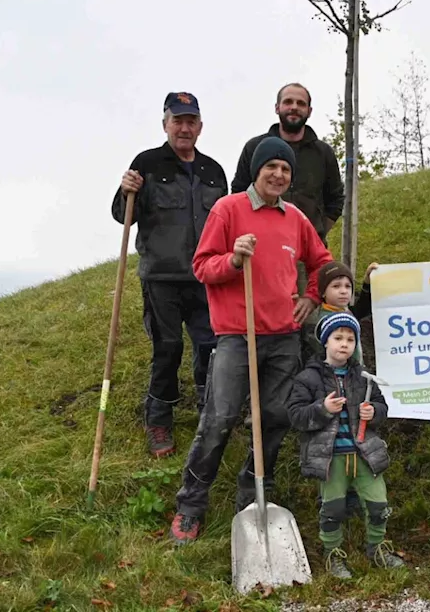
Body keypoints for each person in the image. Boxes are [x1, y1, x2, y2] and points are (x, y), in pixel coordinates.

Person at [170, 137, 333, 543]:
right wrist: (234, 260)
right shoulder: (228, 209)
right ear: (257, 171)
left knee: (276, 417)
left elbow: (322, 263)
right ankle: (191, 505)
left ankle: (253, 490)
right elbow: (202, 267)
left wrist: (312, 296)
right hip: (236, 337)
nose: (278, 175)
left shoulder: (294, 217)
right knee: (219, 418)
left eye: (285, 169)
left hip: (283, 338)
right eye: (271, 167)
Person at [112, 91, 228, 458]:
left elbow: (224, 221)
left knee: (209, 346)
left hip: (205, 275)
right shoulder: (146, 163)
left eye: (190, 121)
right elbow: (123, 215)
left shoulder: (214, 170)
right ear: (165, 125)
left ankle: (207, 409)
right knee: (168, 347)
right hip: (161, 277)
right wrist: (124, 190)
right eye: (177, 120)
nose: (184, 127)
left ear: (200, 127)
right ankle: (158, 417)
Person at [287, 311, 406, 578]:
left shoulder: (363, 376)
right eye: (338, 337)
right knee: (333, 508)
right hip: (331, 458)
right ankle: (333, 553)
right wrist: (323, 408)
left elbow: (382, 406)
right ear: (325, 342)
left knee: (378, 504)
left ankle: (377, 547)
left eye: (350, 339)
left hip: (365, 454)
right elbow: (296, 416)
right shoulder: (309, 378)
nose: (344, 344)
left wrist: (373, 413)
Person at [231, 83, 344, 242]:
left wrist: (316, 232)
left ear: (309, 111)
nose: (294, 107)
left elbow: (336, 199)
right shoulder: (254, 148)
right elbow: (238, 192)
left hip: (309, 252)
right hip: (261, 244)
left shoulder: (323, 153)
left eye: (301, 103)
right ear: (277, 108)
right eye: (288, 102)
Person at [306, 260, 378, 366]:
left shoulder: (346, 312)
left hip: (354, 375)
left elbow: (363, 307)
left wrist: (367, 282)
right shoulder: (319, 322)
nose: (343, 291)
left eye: (348, 286)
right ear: (323, 292)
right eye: (336, 286)